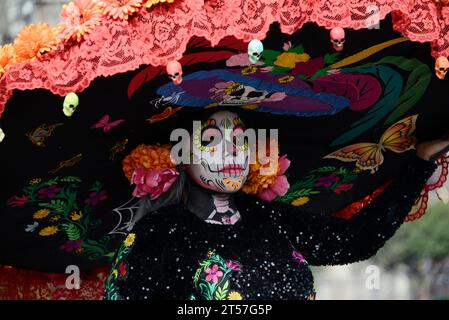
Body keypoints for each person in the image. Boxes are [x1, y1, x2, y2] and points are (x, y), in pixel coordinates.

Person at [104, 109, 447, 300]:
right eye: (212, 142)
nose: (231, 153)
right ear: (178, 155)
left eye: (239, 142)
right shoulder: (157, 234)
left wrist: (420, 162)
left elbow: (356, 240)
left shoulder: (270, 218)